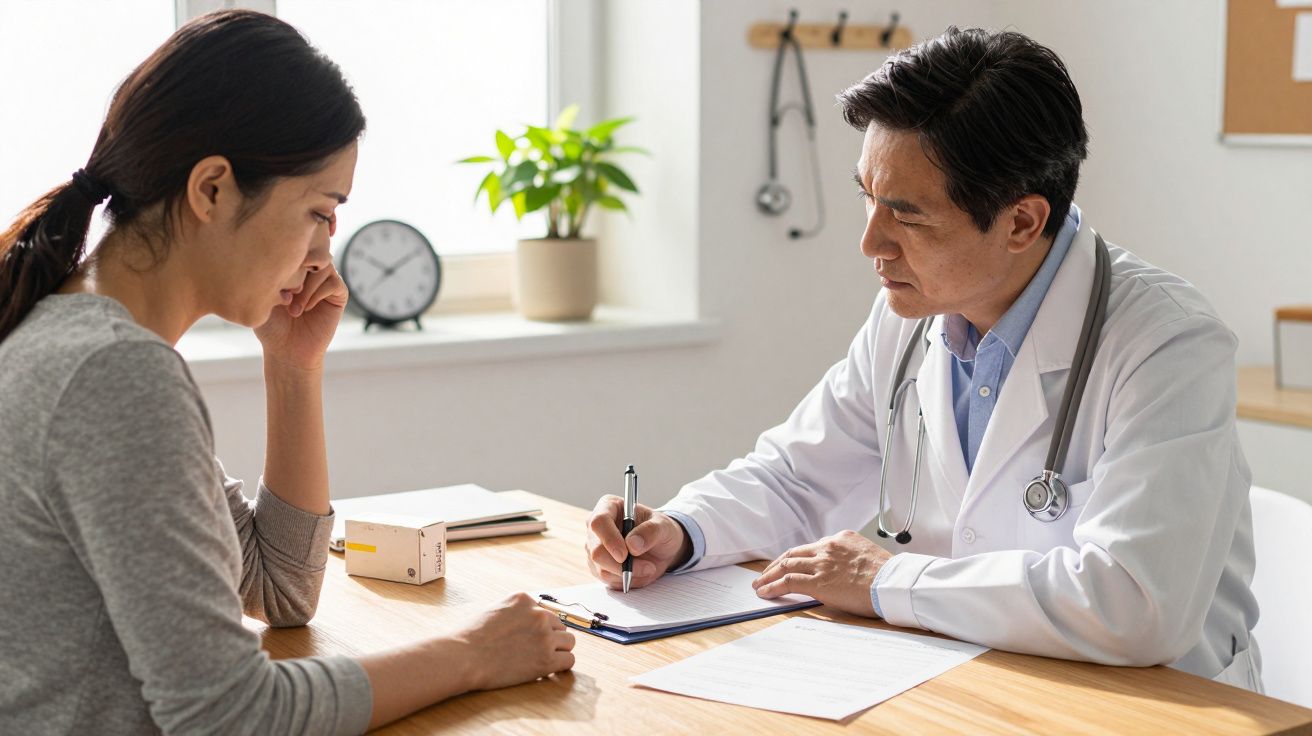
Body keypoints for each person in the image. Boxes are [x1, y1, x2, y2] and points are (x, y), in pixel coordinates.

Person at [584, 27, 1262, 691]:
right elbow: (798, 475)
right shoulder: (911, 315)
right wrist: (680, 531)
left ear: (1022, 222)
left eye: (906, 218)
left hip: (1153, 707)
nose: (871, 243)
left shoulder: (1167, 344)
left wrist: (884, 580)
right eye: (866, 198)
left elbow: (1134, 603)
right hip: (972, 683)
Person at [0, 10, 573, 735]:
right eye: (318, 210)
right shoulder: (114, 377)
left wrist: (293, 366)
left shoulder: (74, 334)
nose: (321, 251)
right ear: (212, 189)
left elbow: (279, 588)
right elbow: (231, 718)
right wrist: (473, 652)